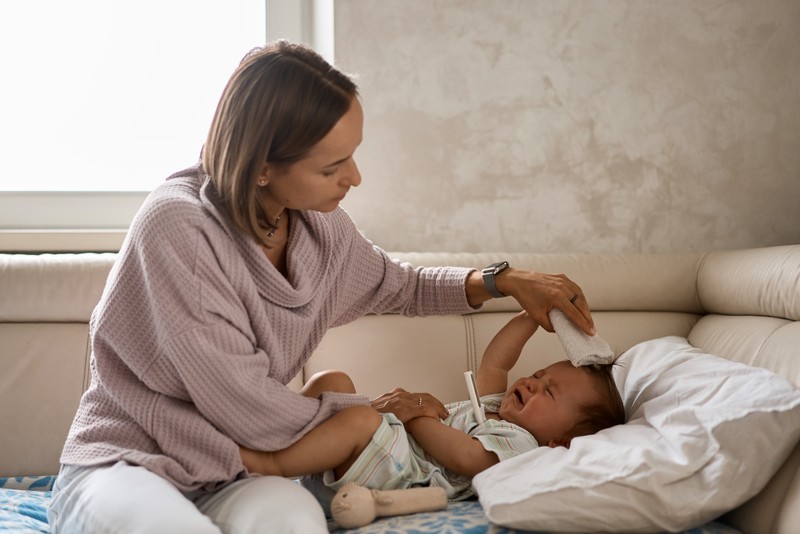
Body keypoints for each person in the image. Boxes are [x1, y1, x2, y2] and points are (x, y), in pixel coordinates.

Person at [48, 40, 597, 533]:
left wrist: (504, 281)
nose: (354, 178)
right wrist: (381, 418)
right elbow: (243, 406)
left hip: (232, 469)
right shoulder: (179, 229)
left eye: (353, 155)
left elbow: (400, 286)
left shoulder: (318, 225)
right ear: (263, 166)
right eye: (334, 165)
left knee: (293, 525)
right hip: (132, 461)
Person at [239, 311, 624, 506]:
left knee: (359, 418)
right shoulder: (492, 409)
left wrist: (417, 413)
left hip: (398, 472)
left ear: (562, 440)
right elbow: (496, 364)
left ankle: (267, 464)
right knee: (333, 381)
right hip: (383, 441)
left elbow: (468, 457)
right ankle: (263, 432)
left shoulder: (523, 447)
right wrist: (531, 317)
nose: (531, 383)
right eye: (539, 374)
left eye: (549, 392)